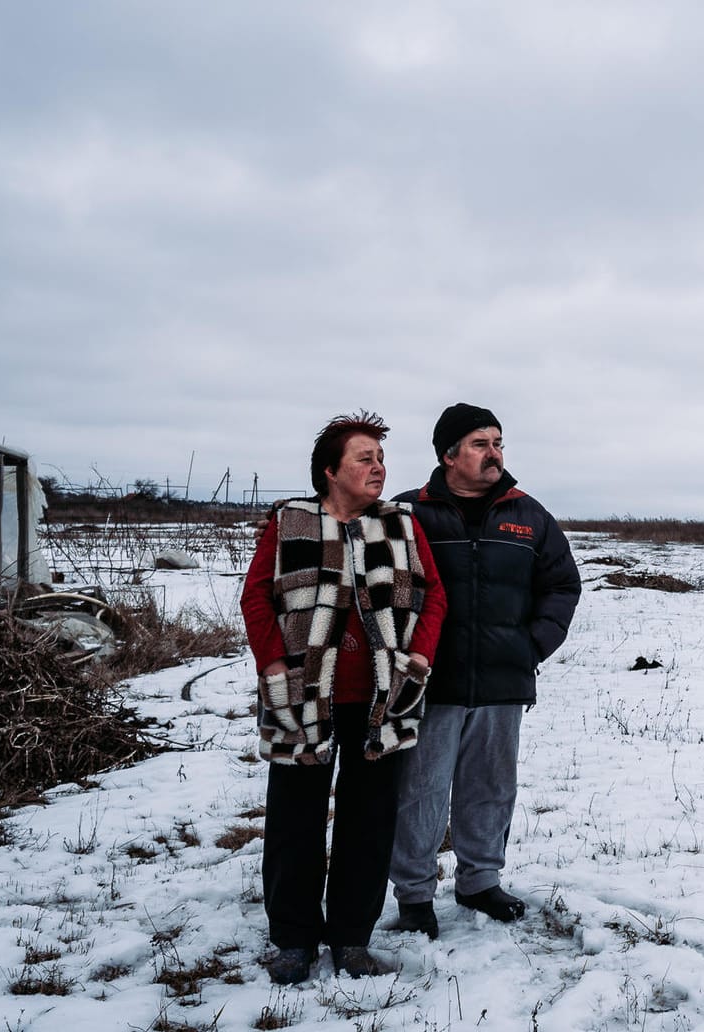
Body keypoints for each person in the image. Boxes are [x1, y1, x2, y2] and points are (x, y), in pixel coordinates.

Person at [240, 412, 446, 984]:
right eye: (364, 458)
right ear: (330, 471)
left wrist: (420, 658)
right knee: (294, 817)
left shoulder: (400, 525)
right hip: (304, 694)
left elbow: (434, 598)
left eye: (380, 459)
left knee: (370, 819)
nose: (377, 468)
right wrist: (274, 662)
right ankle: (294, 939)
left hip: (384, 697)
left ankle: (352, 937)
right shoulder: (291, 523)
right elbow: (257, 598)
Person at [386, 403, 581, 938]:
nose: (494, 454)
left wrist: (531, 646)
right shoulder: (408, 514)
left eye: (498, 443)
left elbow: (562, 585)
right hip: (430, 682)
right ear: (448, 455)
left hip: (501, 681)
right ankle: (415, 894)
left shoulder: (528, 515)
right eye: (480, 444)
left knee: (490, 787)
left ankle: (479, 881)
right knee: (420, 790)